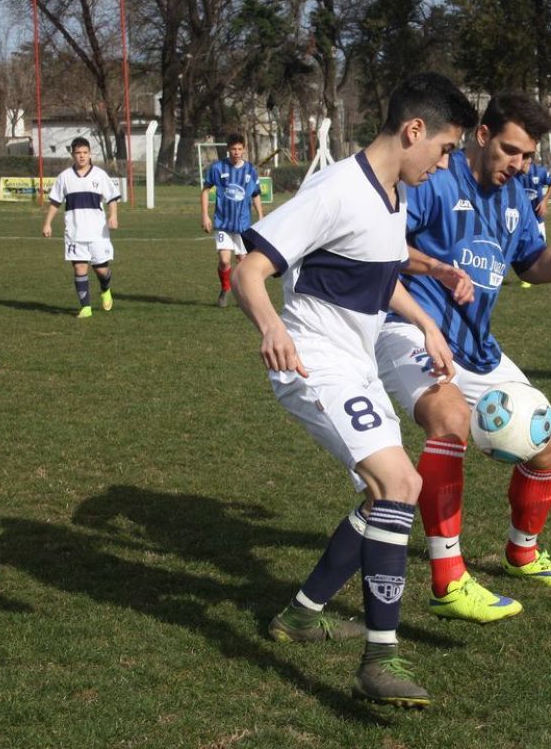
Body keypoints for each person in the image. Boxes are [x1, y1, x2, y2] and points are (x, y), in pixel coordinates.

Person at [232, 73, 478, 708]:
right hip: (314, 364)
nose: (447, 163)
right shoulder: (336, 189)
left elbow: (378, 274)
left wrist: (424, 322)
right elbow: (248, 268)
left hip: (355, 365)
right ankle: (380, 659)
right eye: (446, 149)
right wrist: (271, 329)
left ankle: (302, 614)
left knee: (393, 493)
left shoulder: (391, 196)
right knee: (398, 485)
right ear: (413, 130)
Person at [375, 93, 551, 624]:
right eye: (510, 151)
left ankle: (522, 552)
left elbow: (530, 265)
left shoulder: (515, 196)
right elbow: (378, 246)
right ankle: (448, 580)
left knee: (547, 448)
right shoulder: (434, 180)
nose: (518, 165)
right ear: (482, 137)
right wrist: (435, 267)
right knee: (450, 419)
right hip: (408, 329)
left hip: (479, 348)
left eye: (526, 156)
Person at [42, 138, 121, 318]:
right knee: (79, 268)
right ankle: (85, 308)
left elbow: (112, 198)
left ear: (90, 153)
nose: (82, 156)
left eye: (85, 152)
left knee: (101, 269)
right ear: (73, 155)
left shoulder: (100, 175)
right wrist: (47, 223)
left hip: (97, 232)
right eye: (78, 153)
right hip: (75, 232)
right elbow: (55, 202)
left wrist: (113, 215)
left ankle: (105, 289)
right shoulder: (65, 177)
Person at [201, 134, 264, 306]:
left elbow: (255, 194)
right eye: (233, 149)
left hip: (243, 225)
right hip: (223, 223)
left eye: (239, 149)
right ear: (228, 149)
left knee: (243, 262)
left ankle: (243, 295)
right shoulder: (218, 168)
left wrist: (261, 217)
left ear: (244, 149)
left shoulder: (250, 170)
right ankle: (225, 289)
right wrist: (205, 214)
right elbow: (206, 190)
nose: (236, 152)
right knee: (224, 260)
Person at [515, 155, 551, 287]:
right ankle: (527, 278)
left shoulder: (539, 172)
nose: (520, 163)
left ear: (529, 160)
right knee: (524, 248)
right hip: (523, 220)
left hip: (537, 217)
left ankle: (544, 274)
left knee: (541, 247)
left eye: (523, 160)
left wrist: (545, 201)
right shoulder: (514, 175)